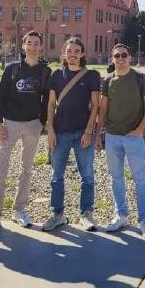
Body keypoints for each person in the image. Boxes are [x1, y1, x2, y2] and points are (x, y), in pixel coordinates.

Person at [0, 31, 51, 235]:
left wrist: (42, 122)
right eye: (29, 43)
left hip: (33, 125)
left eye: (37, 43)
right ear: (24, 45)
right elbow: (0, 98)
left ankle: (19, 210)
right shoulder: (11, 69)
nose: (33, 47)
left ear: (41, 47)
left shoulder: (45, 71)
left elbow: (47, 100)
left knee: (26, 169)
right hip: (10, 123)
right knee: (1, 169)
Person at [96, 44, 145, 239]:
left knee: (140, 179)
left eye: (123, 55)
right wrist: (98, 134)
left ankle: (144, 220)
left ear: (129, 57)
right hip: (113, 137)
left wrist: (139, 129)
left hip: (133, 138)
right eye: (117, 56)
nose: (120, 58)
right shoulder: (108, 81)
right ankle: (121, 215)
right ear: (112, 58)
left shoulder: (140, 79)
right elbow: (103, 110)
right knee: (116, 179)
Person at [42, 37, 101, 232]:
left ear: (82, 54)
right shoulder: (56, 75)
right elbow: (51, 104)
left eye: (77, 51)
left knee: (87, 176)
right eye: (69, 51)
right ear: (64, 53)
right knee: (56, 176)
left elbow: (95, 106)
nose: (73, 55)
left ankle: (86, 214)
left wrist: (88, 131)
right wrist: (50, 129)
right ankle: (57, 214)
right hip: (60, 133)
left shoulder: (91, 75)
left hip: (82, 134)